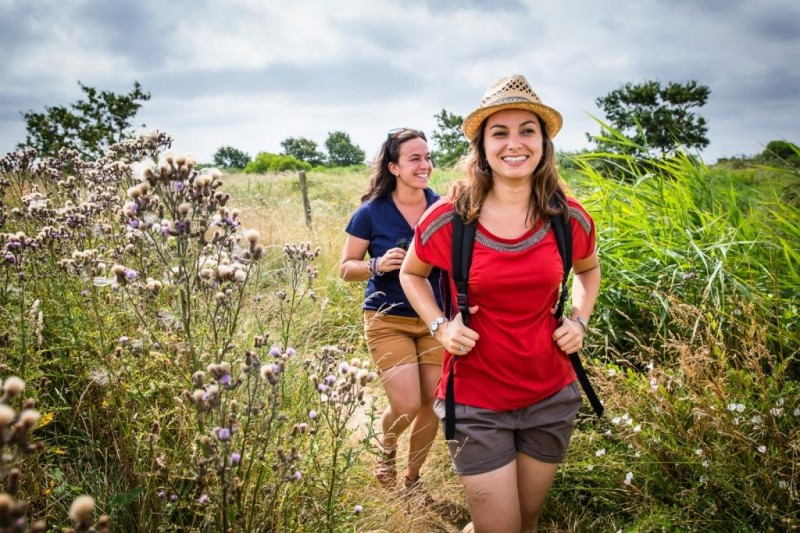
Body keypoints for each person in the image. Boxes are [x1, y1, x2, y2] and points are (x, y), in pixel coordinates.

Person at [400, 74, 601, 532]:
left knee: (526, 523)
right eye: (500, 132)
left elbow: (588, 270)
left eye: (527, 130)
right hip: (475, 400)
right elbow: (412, 274)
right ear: (482, 146)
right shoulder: (450, 217)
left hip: (550, 395)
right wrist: (439, 326)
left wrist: (580, 319)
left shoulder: (567, 217)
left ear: (544, 143)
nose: (515, 143)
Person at [339, 128, 444, 489]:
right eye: (415, 158)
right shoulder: (371, 213)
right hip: (389, 319)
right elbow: (345, 268)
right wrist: (377, 264)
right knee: (408, 403)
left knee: (432, 403)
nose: (425, 164)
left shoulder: (444, 209)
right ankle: (386, 451)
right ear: (394, 167)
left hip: (436, 320)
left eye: (427, 157)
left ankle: (413, 479)